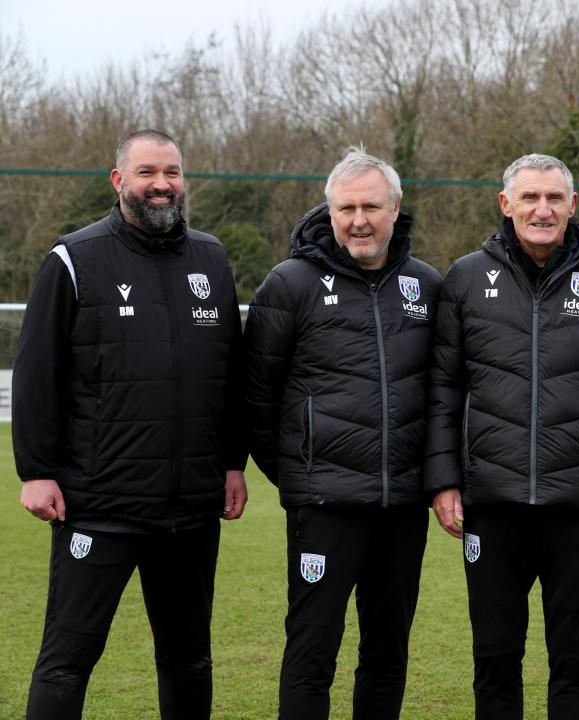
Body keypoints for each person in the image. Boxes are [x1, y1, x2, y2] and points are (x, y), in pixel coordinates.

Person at [13, 129, 248, 720]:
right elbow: (36, 371)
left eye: (172, 172)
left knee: (189, 659)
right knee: (67, 660)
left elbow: (230, 373)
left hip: (190, 510)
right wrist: (36, 470)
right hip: (100, 504)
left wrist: (231, 463)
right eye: (147, 173)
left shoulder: (211, 258)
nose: (162, 185)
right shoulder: (74, 258)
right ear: (119, 181)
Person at [426, 153, 579, 720]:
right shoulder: (464, 278)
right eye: (529, 197)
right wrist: (443, 480)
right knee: (494, 660)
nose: (542, 209)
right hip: (492, 504)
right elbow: (443, 390)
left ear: (572, 205)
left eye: (554, 197)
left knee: (575, 663)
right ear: (505, 204)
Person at [244, 148, 441, 720]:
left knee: (387, 653)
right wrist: (303, 473)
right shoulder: (289, 284)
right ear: (329, 211)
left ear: (395, 208)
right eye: (346, 208)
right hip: (324, 506)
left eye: (371, 207)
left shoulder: (427, 285)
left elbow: (443, 391)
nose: (359, 220)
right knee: (312, 653)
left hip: (403, 506)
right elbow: (256, 397)